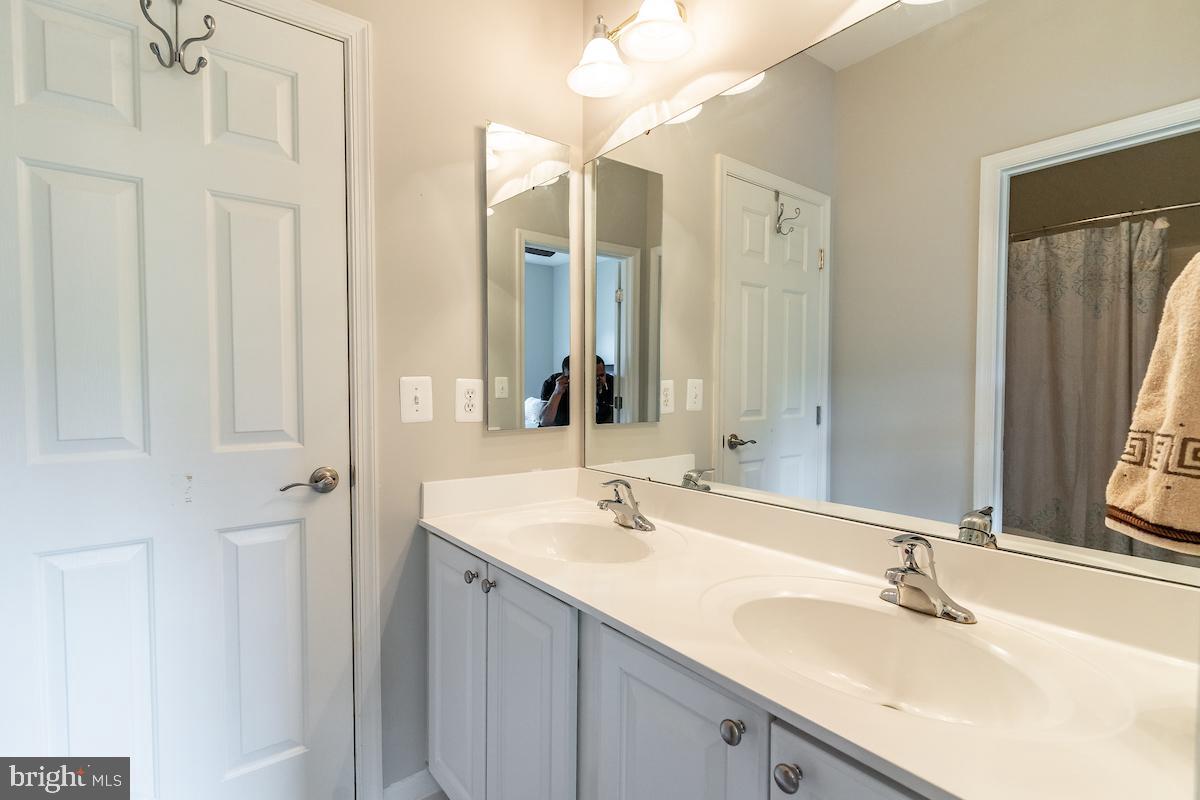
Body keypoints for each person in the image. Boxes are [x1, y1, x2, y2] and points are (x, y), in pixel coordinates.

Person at [540, 355, 615, 427]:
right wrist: (557, 393)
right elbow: (544, 422)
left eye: (601, 375)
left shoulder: (612, 383)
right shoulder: (552, 384)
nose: (596, 380)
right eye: (587, 376)